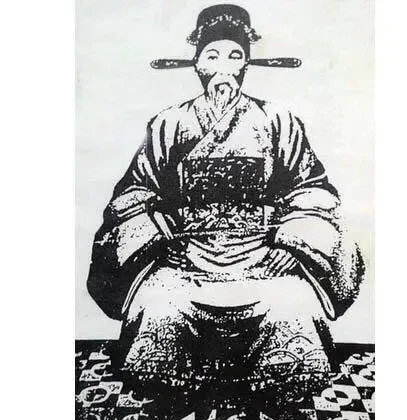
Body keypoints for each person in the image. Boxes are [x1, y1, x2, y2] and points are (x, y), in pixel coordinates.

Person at [87, 3, 365, 414]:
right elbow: (134, 192)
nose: (223, 67)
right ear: (197, 64)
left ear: (247, 63)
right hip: (187, 258)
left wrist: (290, 245)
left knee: (291, 304)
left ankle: (272, 394)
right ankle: (178, 393)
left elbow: (313, 190)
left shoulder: (279, 121)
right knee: (159, 303)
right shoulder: (167, 123)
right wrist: (158, 234)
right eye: (212, 55)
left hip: (262, 254)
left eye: (235, 56)